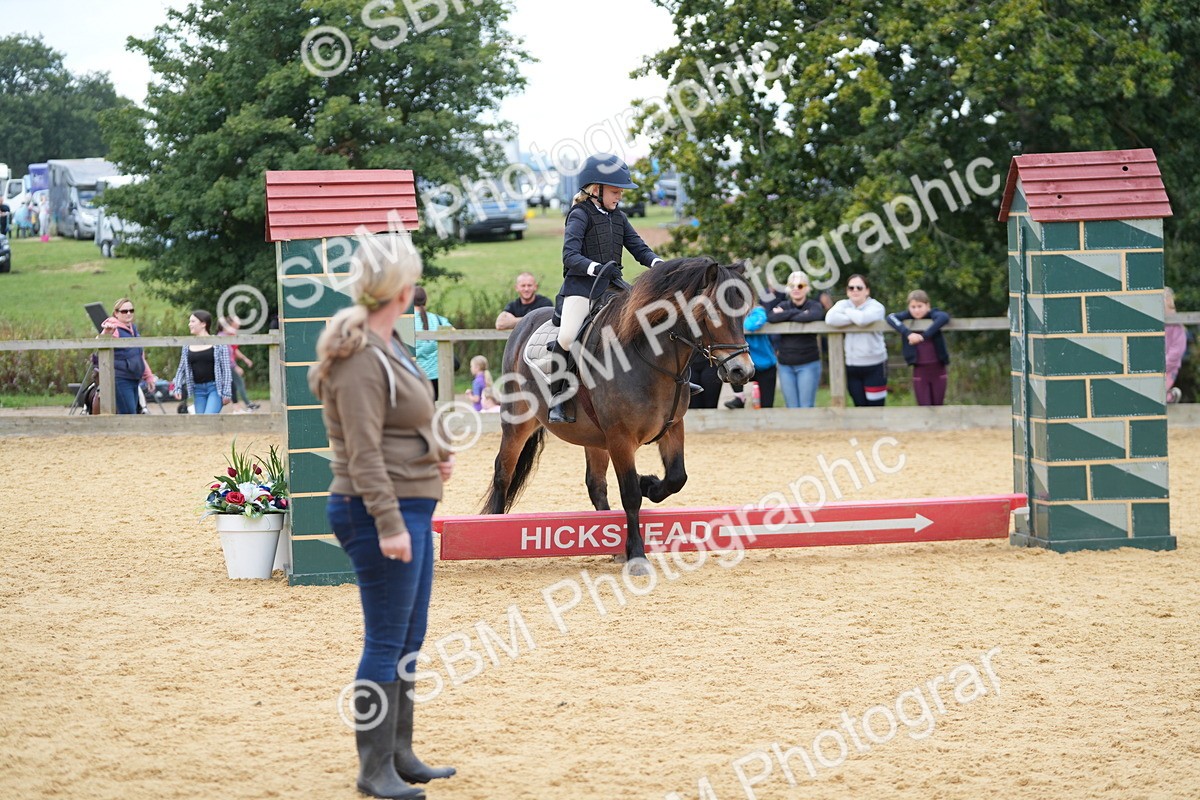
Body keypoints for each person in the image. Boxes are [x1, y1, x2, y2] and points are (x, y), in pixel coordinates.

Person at [306, 241, 456, 799]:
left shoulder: (390, 344)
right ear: (401, 290)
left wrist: (435, 449)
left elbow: (406, 417)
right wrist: (389, 523)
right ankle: (373, 770)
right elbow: (363, 452)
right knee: (386, 640)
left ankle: (399, 754)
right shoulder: (362, 357)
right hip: (377, 511)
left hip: (412, 501)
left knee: (408, 639)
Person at [550, 153, 670, 423]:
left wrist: (659, 264)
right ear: (596, 189)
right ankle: (557, 397)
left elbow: (638, 247)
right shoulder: (579, 215)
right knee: (568, 336)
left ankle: (666, 383)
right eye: (616, 192)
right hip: (581, 287)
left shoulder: (619, 217)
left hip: (613, 287)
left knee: (647, 322)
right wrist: (597, 268)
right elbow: (570, 256)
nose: (620, 197)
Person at [825, 274, 888, 406]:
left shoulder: (876, 307)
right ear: (847, 291)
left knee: (876, 408)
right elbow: (830, 319)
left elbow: (862, 319)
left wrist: (847, 313)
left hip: (875, 365)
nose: (855, 290)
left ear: (867, 290)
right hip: (852, 367)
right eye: (851, 288)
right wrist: (854, 316)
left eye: (859, 287)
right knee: (859, 407)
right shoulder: (843, 304)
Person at [767, 271, 826, 408]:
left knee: (806, 407)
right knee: (791, 407)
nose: (796, 289)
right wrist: (799, 314)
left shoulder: (814, 305)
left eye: (800, 285)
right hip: (785, 365)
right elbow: (771, 317)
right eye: (792, 285)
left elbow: (815, 315)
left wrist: (785, 316)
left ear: (807, 288)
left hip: (808, 364)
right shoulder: (783, 304)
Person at [887, 290, 952, 406]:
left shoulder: (933, 315)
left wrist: (923, 337)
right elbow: (890, 318)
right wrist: (908, 333)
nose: (916, 310)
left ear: (928, 305)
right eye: (913, 307)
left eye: (920, 306)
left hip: (938, 368)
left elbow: (944, 317)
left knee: (938, 405)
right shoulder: (907, 317)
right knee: (923, 406)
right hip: (920, 370)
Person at [98, 298, 158, 415]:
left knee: (133, 411)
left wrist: (148, 376)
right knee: (128, 413)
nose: (129, 313)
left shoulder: (133, 329)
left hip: (135, 378)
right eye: (124, 311)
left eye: (131, 310)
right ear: (116, 313)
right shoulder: (113, 328)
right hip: (121, 378)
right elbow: (100, 341)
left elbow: (139, 355)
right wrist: (106, 333)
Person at [171, 310, 232, 414]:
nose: (189, 324)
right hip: (198, 390)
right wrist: (177, 387)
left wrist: (227, 392)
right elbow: (182, 369)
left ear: (203, 324)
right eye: (189, 321)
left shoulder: (219, 343)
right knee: (201, 424)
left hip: (215, 389)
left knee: (208, 418)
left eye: (193, 321)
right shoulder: (187, 345)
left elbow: (226, 369)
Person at [724, 299, 779, 409]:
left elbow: (751, 325)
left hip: (765, 365)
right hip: (743, 364)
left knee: (767, 405)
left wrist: (735, 323)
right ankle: (739, 397)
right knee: (730, 366)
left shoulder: (757, 311)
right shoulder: (729, 315)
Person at [412, 286, 455, 399]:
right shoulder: (438, 320)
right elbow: (455, 336)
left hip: (414, 374)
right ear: (426, 300)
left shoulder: (404, 321)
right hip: (437, 374)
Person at [218, 315, 259, 411]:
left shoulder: (227, 336)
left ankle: (238, 406)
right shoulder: (223, 338)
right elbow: (226, 355)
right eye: (235, 326)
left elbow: (234, 351)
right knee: (237, 384)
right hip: (228, 366)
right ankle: (246, 405)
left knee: (233, 385)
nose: (237, 328)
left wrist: (245, 359)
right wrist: (236, 366)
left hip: (229, 365)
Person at [1165, 287, 1186, 404]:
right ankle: (1171, 395)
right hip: (1159, 365)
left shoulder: (1176, 323)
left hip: (1169, 367)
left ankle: (1171, 396)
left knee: (1158, 393)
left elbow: (1177, 350)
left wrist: (1163, 363)